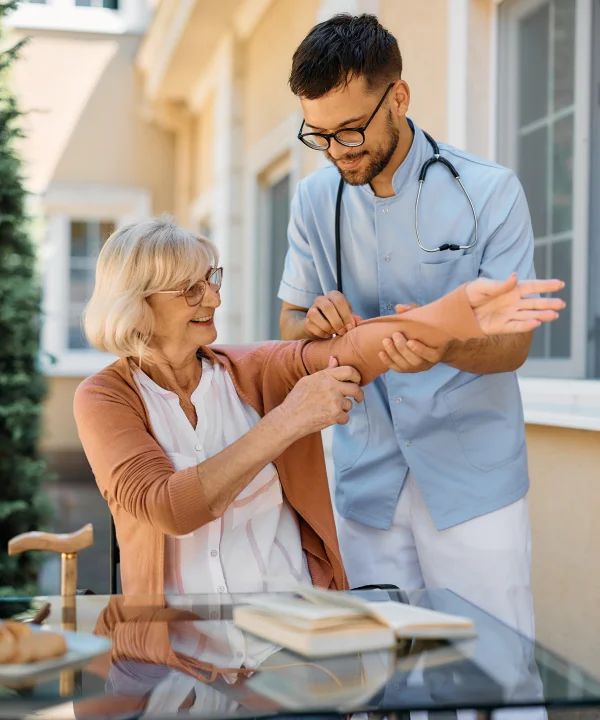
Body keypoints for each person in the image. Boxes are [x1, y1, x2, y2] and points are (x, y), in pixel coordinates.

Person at [74, 216, 563, 597]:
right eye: (191, 290)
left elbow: (353, 351)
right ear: (137, 305)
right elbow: (167, 508)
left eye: (213, 279)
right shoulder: (105, 399)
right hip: (176, 664)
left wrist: (458, 314)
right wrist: (289, 420)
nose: (215, 297)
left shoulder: (253, 369)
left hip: (290, 644)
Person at [279, 13, 547, 638]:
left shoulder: (490, 192)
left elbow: (514, 345)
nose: (337, 151)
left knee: (495, 674)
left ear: (398, 97)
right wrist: (312, 321)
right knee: (383, 675)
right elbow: (291, 321)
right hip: (367, 480)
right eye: (318, 136)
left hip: (472, 480)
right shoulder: (314, 200)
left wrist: (445, 345)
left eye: (350, 131)